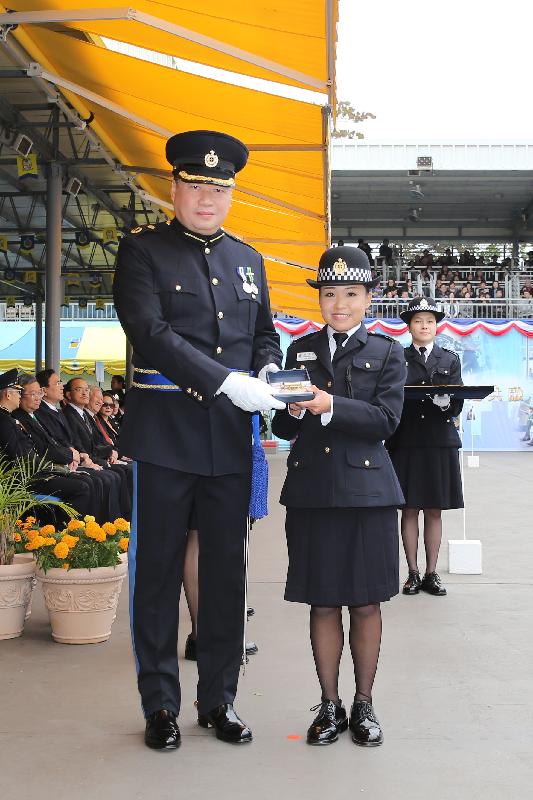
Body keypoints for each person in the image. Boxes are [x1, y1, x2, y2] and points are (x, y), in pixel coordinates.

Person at [113, 129, 284, 750]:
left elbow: (264, 334)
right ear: (175, 186)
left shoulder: (248, 259)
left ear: (231, 192)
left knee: (226, 577)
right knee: (156, 574)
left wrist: (266, 370)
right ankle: (160, 705)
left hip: (227, 442)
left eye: (220, 186)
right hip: (164, 435)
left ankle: (219, 699)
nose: (207, 197)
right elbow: (151, 333)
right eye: (196, 184)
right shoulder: (143, 252)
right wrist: (224, 381)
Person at [271, 246, 406, 748]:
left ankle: (365, 704)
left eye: (351, 293)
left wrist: (329, 406)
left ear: (368, 297)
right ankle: (329, 704)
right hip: (312, 490)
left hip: (368, 492)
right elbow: (283, 421)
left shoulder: (388, 352)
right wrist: (294, 411)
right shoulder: (300, 350)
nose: (340, 303)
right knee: (323, 602)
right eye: (330, 294)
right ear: (320, 300)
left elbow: (386, 421)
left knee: (366, 603)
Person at [386, 297, 464, 598]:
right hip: (405, 440)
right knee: (408, 509)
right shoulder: (397, 357)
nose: (424, 326)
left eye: (429, 321)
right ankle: (413, 573)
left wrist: (448, 404)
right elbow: (389, 397)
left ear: (436, 326)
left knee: (434, 510)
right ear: (409, 327)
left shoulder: (449, 359)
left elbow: (457, 402)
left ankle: (432, 574)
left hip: (438, 442)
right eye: (418, 321)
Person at [0, 370, 92, 518]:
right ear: (8, 395)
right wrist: (56, 469)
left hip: (36, 471)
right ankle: (65, 533)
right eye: (18, 392)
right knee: (81, 487)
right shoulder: (5, 421)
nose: (19, 396)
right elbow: (20, 458)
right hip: (27, 478)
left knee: (85, 481)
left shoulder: (8, 418)